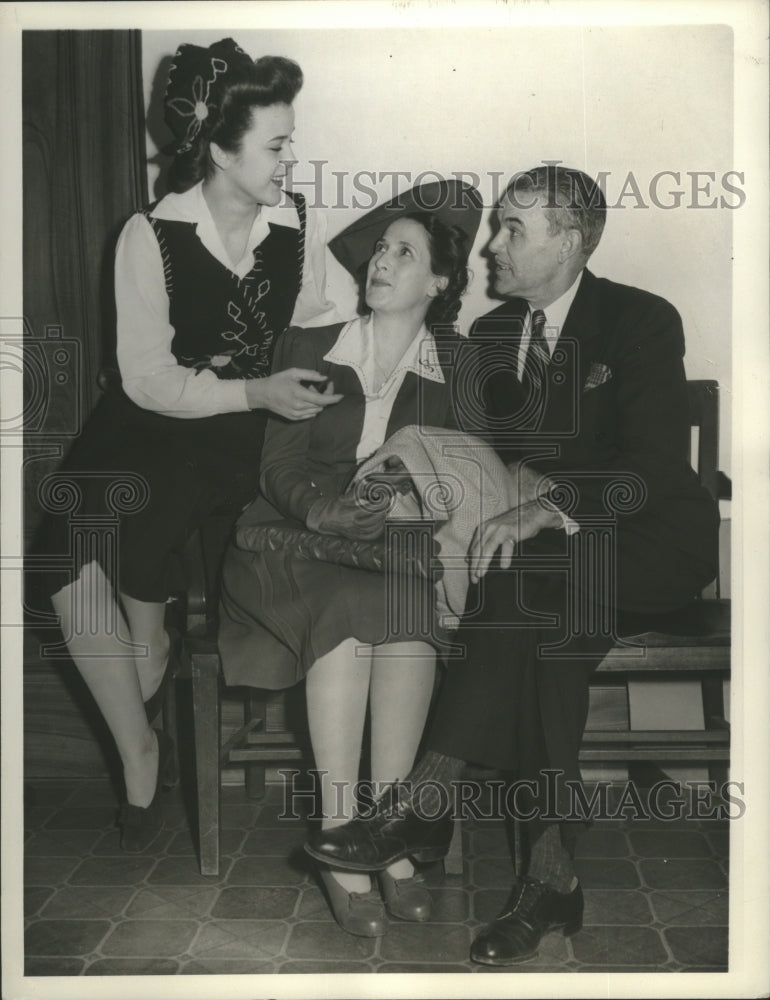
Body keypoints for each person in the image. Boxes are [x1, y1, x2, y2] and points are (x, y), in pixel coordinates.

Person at [304, 165, 721, 964]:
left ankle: (423, 798)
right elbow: (472, 458)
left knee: (529, 580)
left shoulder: (639, 320)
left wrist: (547, 500)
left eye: (513, 230)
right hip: (552, 574)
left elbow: (653, 466)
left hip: (649, 547)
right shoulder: (493, 338)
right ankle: (550, 880)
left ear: (570, 243)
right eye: (497, 226)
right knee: (544, 630)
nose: (492, 244)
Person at [38, 37, 340, 854]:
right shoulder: (150, 235)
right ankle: (139, 746)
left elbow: (314, 316)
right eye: (276, 144)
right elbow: (143, 379)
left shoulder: (297, 221)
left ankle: (154, 640)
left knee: (151, 540)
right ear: (217, 149)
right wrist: (254, 386)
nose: (290, 157)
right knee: (67, 548)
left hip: (232, 438)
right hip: (146, 416)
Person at [218, 180, 483, 936]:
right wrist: (320, 508)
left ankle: (386, 837)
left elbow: (463, 470)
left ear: (438, 282)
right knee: (344, 608)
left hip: (395, 545)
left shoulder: (459, 366)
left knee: (404, 614)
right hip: (290, 539)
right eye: (380, 248)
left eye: (406, 252)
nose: (382, 261)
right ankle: (340, 842)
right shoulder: (309, 347)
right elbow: (278, 464)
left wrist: (403, 503)